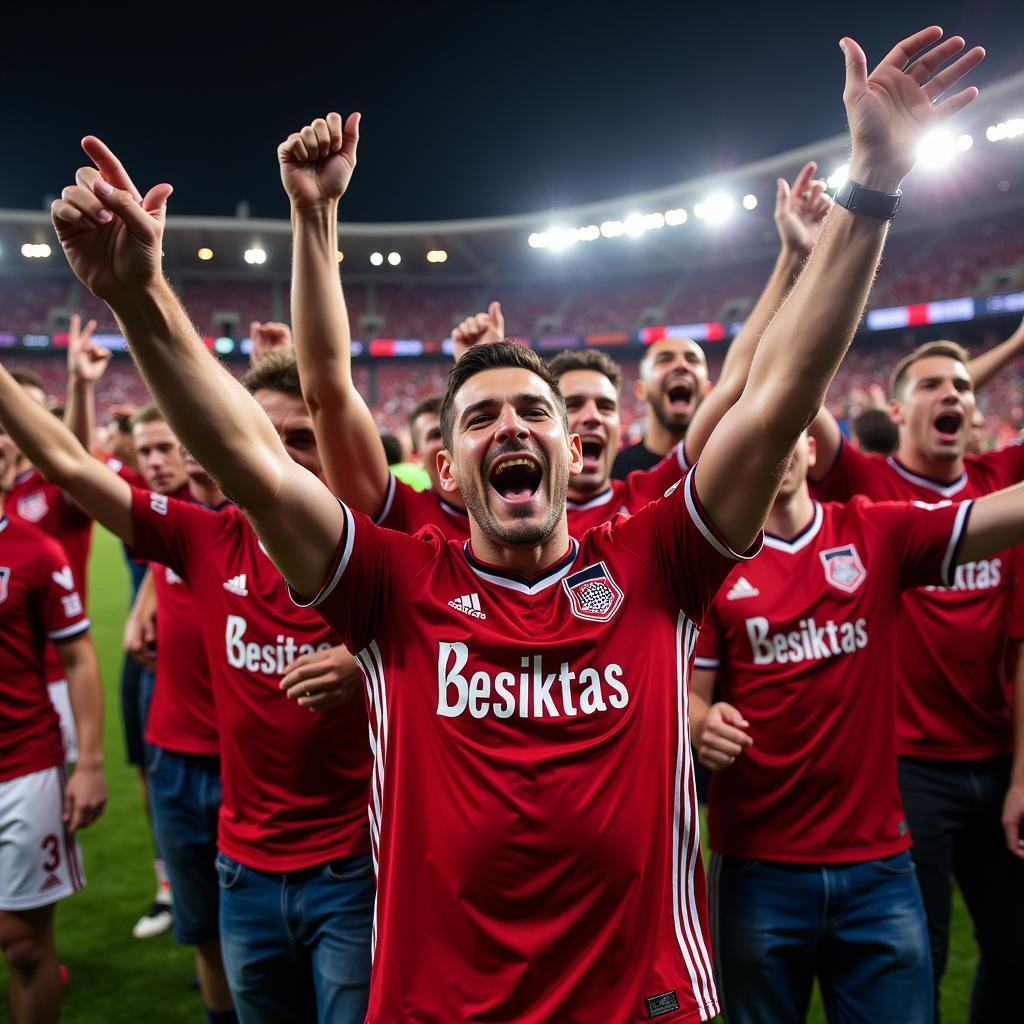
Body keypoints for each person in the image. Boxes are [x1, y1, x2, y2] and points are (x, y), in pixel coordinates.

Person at [47, 25, 983, 1020]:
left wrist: (871, 184)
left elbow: (780, 391)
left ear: (579, 455)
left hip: (646, 1003)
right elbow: (252, 457)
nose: (516, 425)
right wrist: (141, 298)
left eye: (535, 411)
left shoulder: (656, 554)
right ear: (447, 464)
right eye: (482, 414)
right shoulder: (395, 579)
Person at [0, 353, 374, 1024]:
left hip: (352, 870)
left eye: (303, 438)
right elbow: (69, 462)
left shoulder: (376, 547)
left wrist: (367, 656)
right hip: (243, 866)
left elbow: (471, 619)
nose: (284, 456)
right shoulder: (205, 537)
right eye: (267, 434)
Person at [691, 428, 1024, 1023]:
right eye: (757, 440)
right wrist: (701, 720)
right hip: (757, 868)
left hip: (879, 869)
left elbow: (989, 519)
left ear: (813, 450)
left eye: (790, 432)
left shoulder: (877, 530)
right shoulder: (713, 562)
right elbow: (689, 696)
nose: (774, 449)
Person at [809, 337, 1024, 1020]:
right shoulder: (872, 486)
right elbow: (799, 395)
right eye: (931, 387)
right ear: (895, 411)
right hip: (907, 770)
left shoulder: (1000, 480)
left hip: (999, 762)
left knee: (1018, 952)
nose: (952, 395)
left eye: (963, 387)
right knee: (916, 962)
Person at [0, 438, 106, 1024]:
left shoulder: (36, 551)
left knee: (23, 943)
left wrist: (88, 764)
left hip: (23, 767)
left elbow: (79, 658)